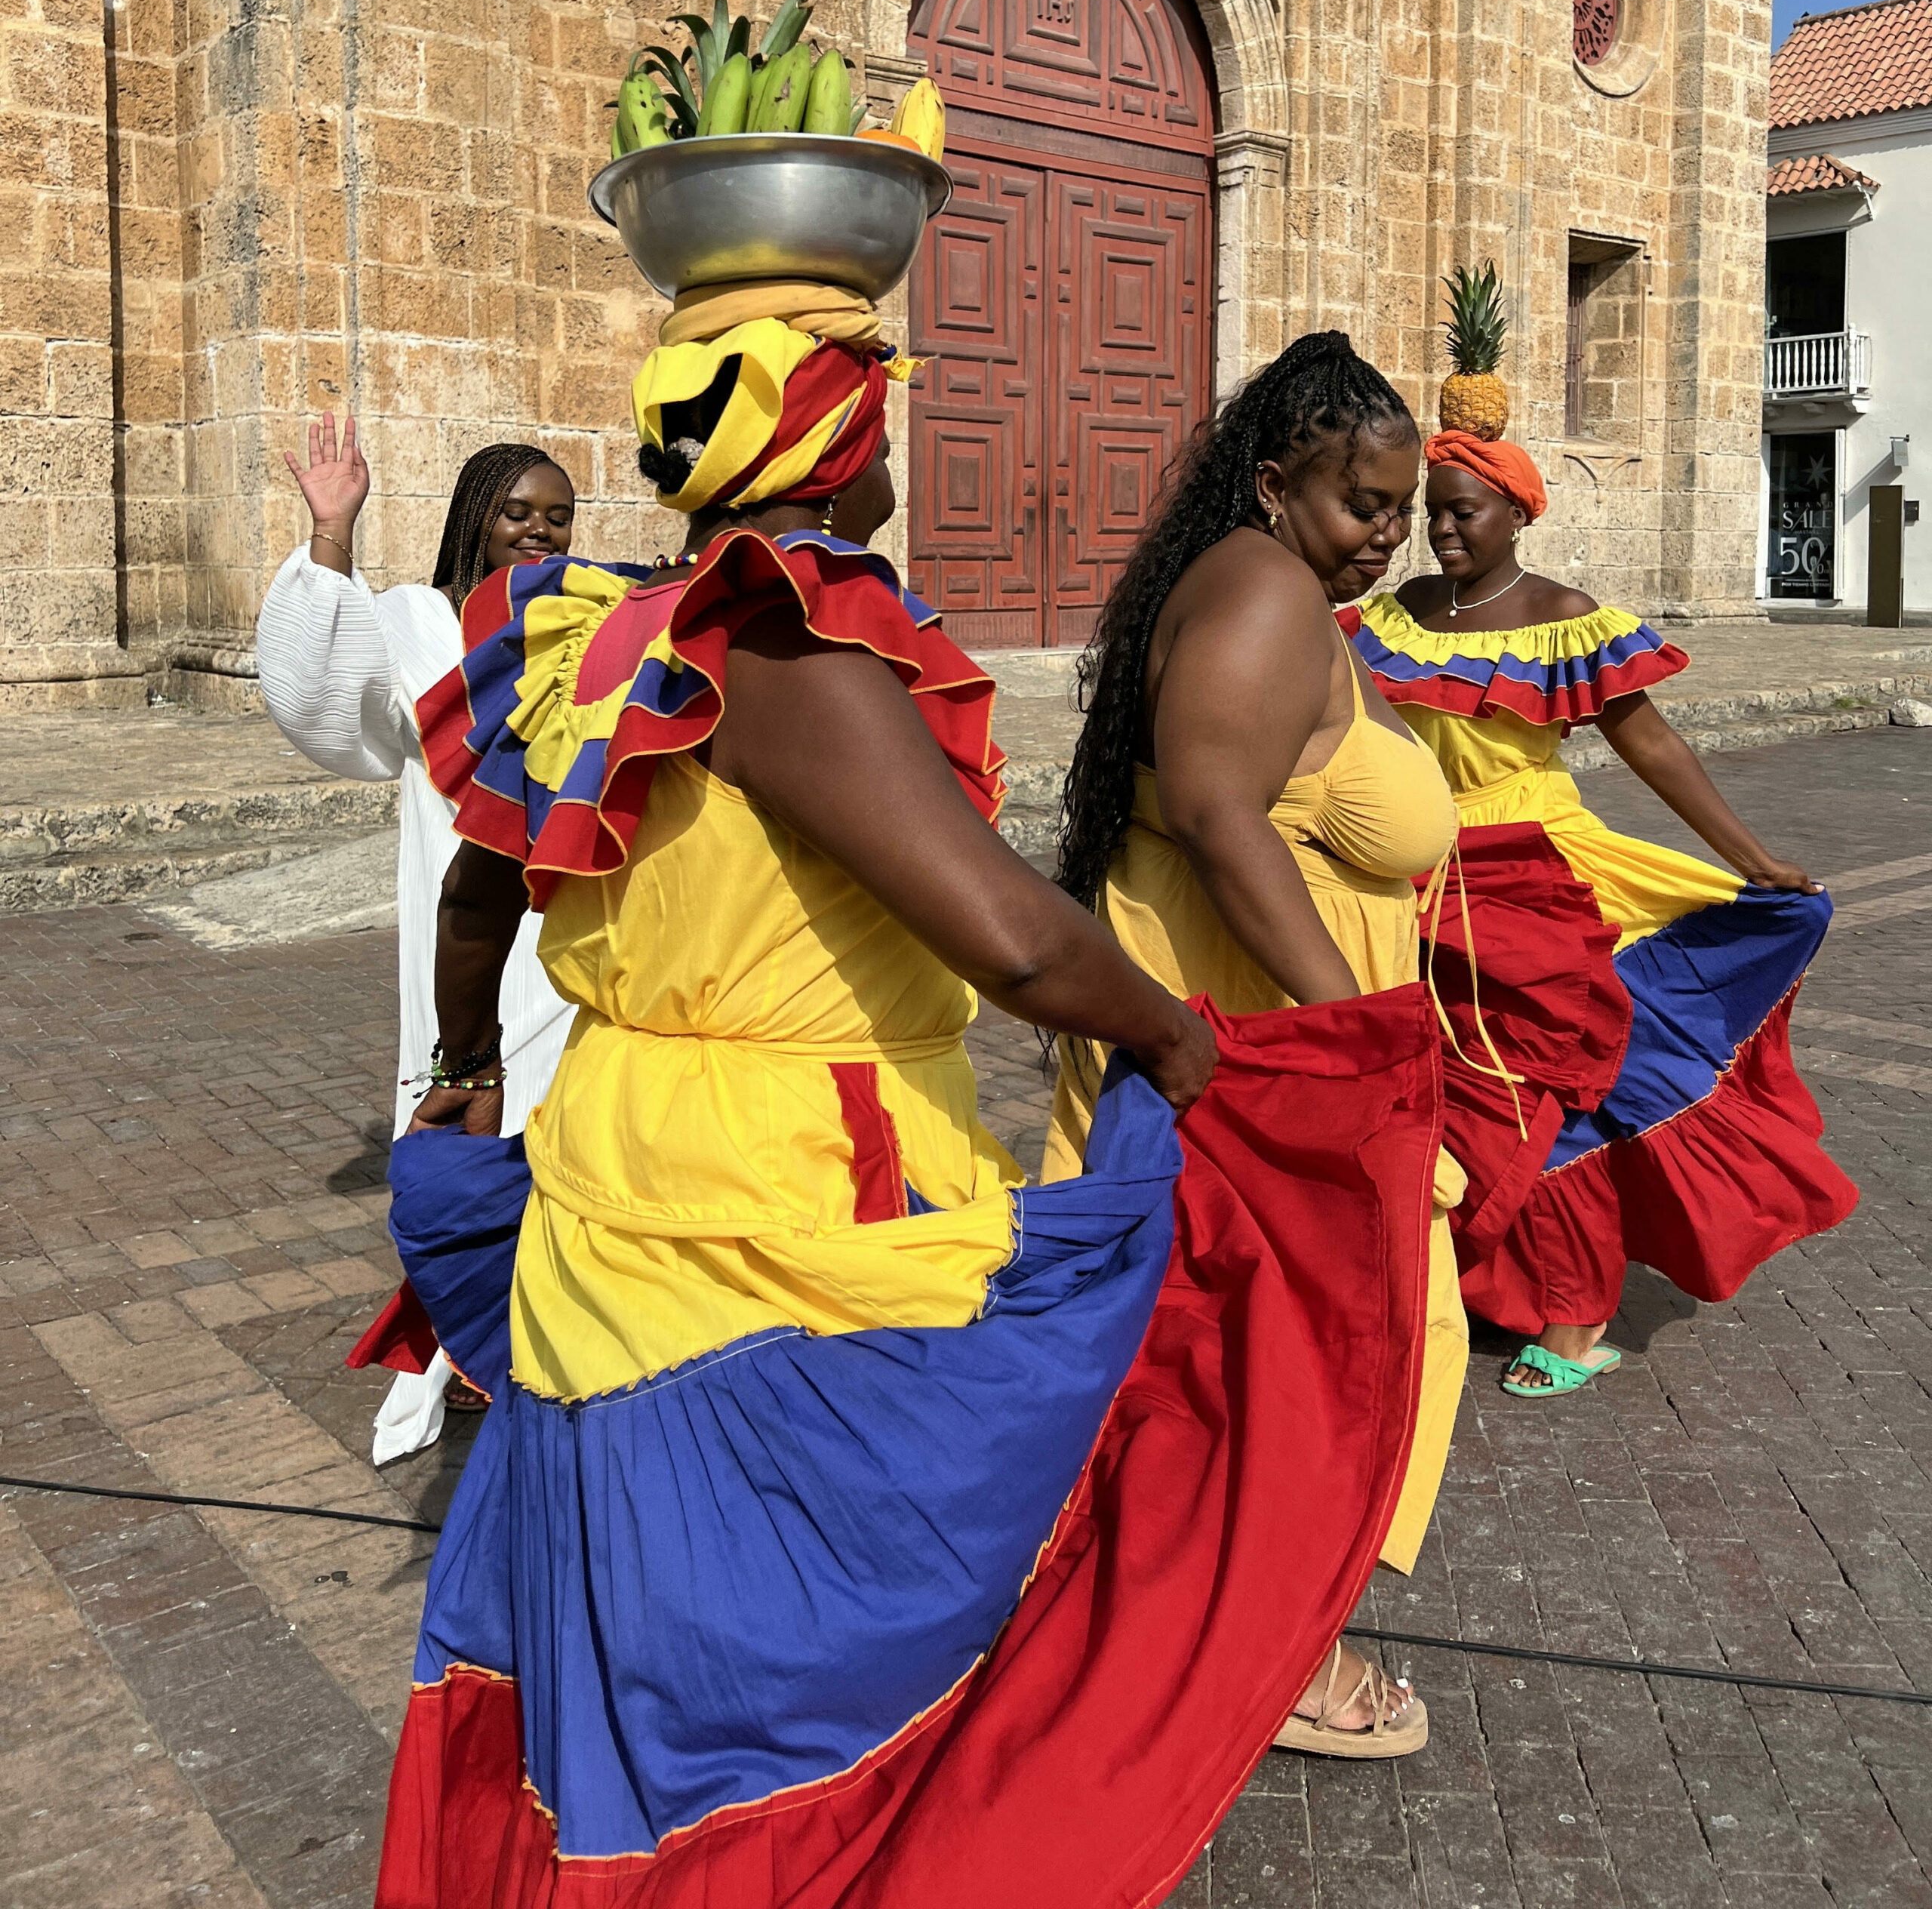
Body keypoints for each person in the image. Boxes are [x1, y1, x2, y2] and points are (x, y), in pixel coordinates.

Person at [374, 294, 1455, 1907]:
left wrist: (462, 1065)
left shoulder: (604, 628)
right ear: (835, 441)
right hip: (784, 1198)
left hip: (620, 1166)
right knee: (822, 1625)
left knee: (648, 1596)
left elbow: (480, 882)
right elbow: (1014, 940)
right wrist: (1178, 1039)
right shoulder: (786, 645)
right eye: (877, 402)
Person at [1048, 329, 1472, 1753]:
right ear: (1278, 483)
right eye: (1364, 507)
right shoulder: (1267, 593)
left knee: (1239, 1356)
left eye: (1403, 516)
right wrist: (1354, 1044)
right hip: (1263, 1067)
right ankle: (1290, 1655)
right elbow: (1228, 820)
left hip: (1246, 1051)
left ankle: (1218, 1625)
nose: (1385, 539)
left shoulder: (1262, 584)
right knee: (1333, 1355)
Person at [1344, 428, 1858, 1396]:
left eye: (1466, 510)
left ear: (1517, 513)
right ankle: (1483, 1274)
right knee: (1466, 1091)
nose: (1443, 529)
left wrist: (1751, 859)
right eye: (1434, 508)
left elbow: (1650, 746)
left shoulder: (1563, 616)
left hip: (1542, 873)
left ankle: (1577, 1319)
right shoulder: (1398, 611)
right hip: (1416, 877)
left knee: (1572, 1079)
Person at [257, 422, 580, 1449]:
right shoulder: (412, 621)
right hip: (465, 923)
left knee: (567, 1128)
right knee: (476, 1121)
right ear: (476, 516)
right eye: (517, 510)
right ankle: (480, 1339)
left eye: (558, 515)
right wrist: (333, 531)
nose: (537, 530)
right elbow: (330, 697)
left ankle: (559, 1323)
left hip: (567, 921)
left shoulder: (580, 624)